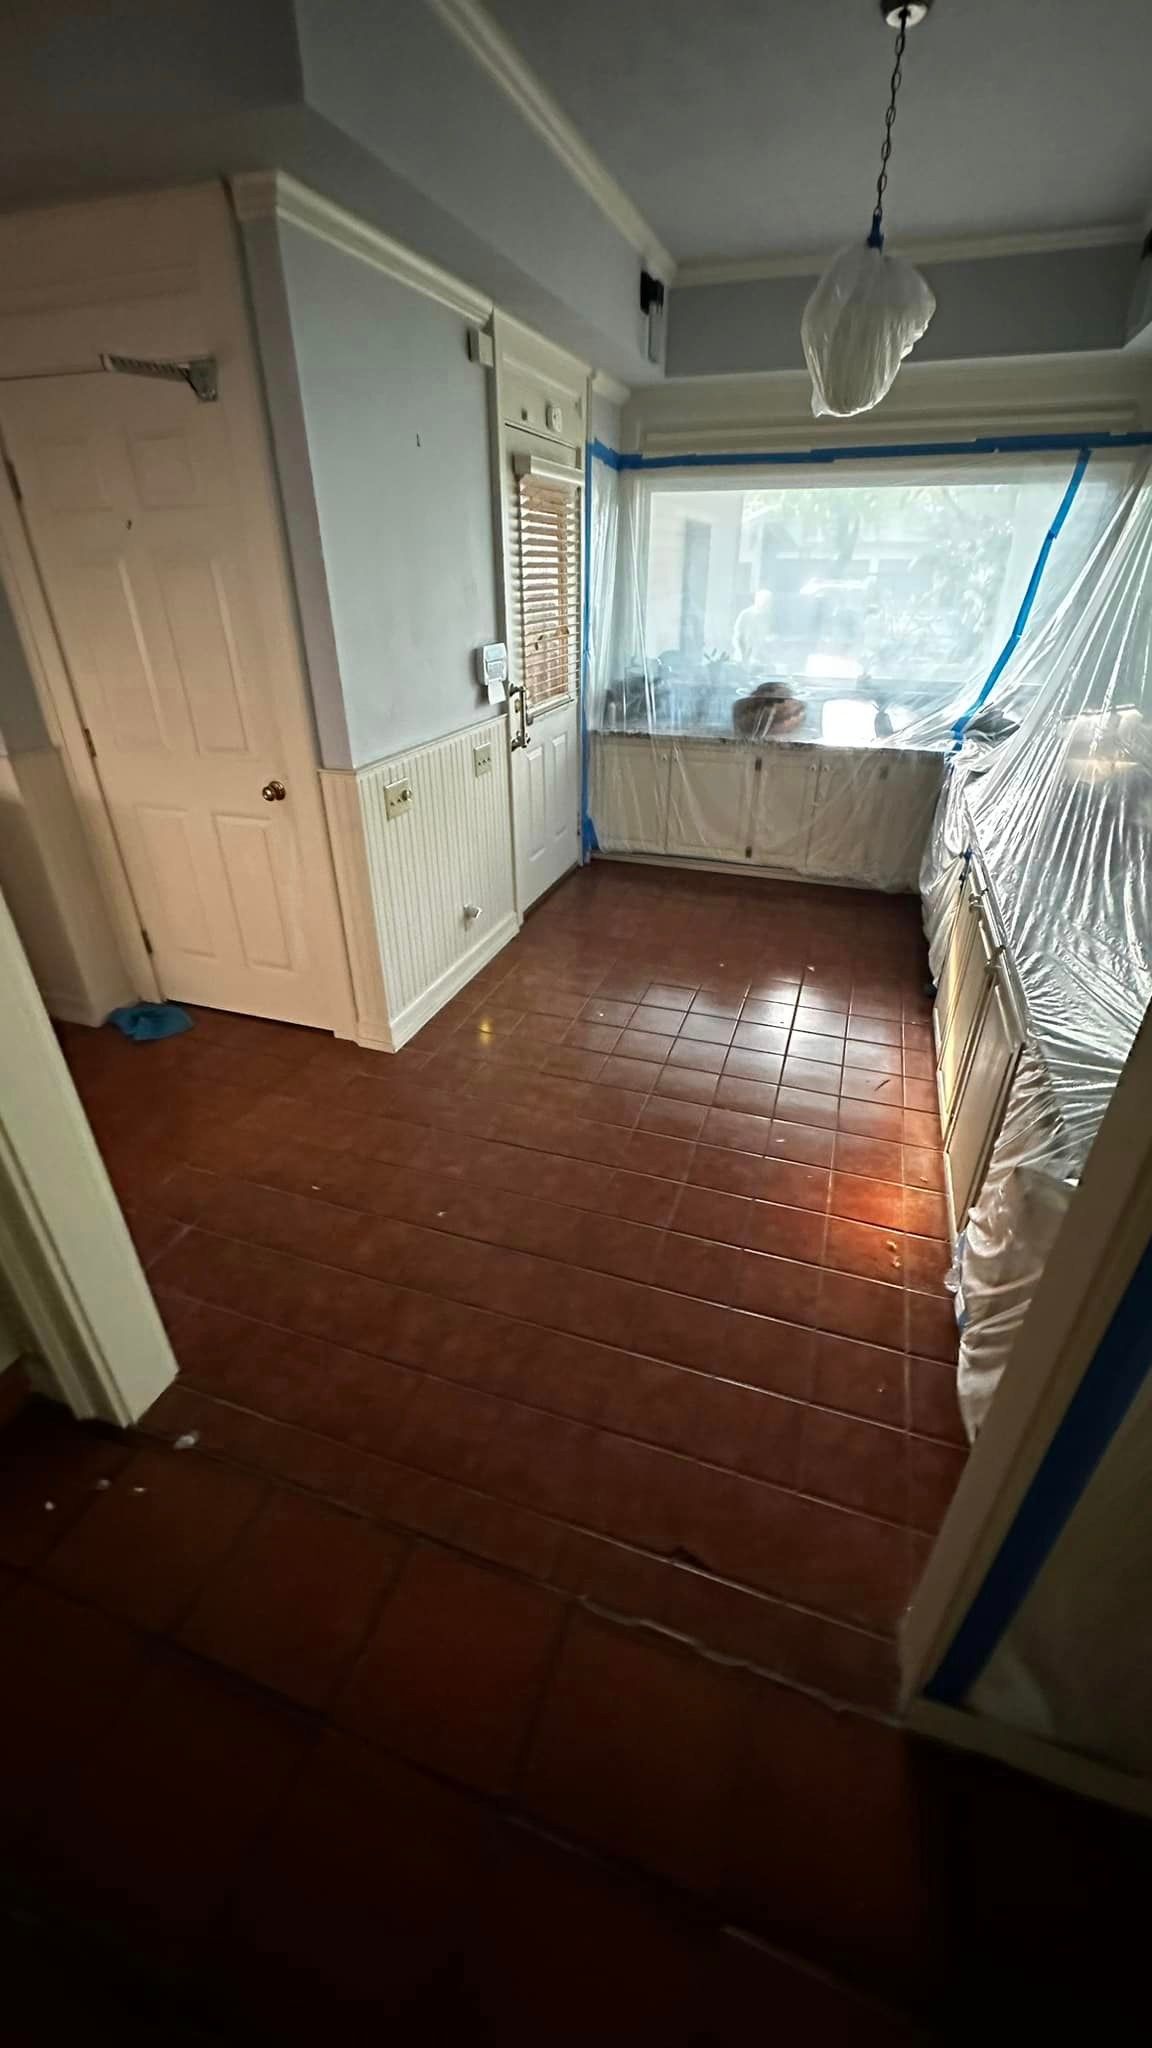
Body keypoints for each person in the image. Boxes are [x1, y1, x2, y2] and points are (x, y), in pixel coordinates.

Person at [733, 587, 776, 667]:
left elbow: (763, 638)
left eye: (770, 602)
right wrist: (744, 657)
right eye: (766, 601)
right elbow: (739, 637)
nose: (768, 604)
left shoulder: (767, 617)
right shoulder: (745, 614)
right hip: (742, 658)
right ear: (758, 600)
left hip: (757, 659)